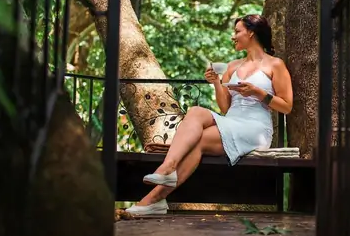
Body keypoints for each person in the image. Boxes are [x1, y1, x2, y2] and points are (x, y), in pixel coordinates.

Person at [125, 14, 293, 216]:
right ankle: (165, 173)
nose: (233, 36)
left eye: (237, 31)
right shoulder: (233, 66)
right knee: (196, 112)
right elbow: (225, 108)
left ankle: (153, 199)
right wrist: (216, 82)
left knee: (200, 140)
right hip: (232, 121)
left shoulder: (275, 65)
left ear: (251, 33)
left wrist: (259, 93)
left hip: (255, 128)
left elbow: (286, 106)